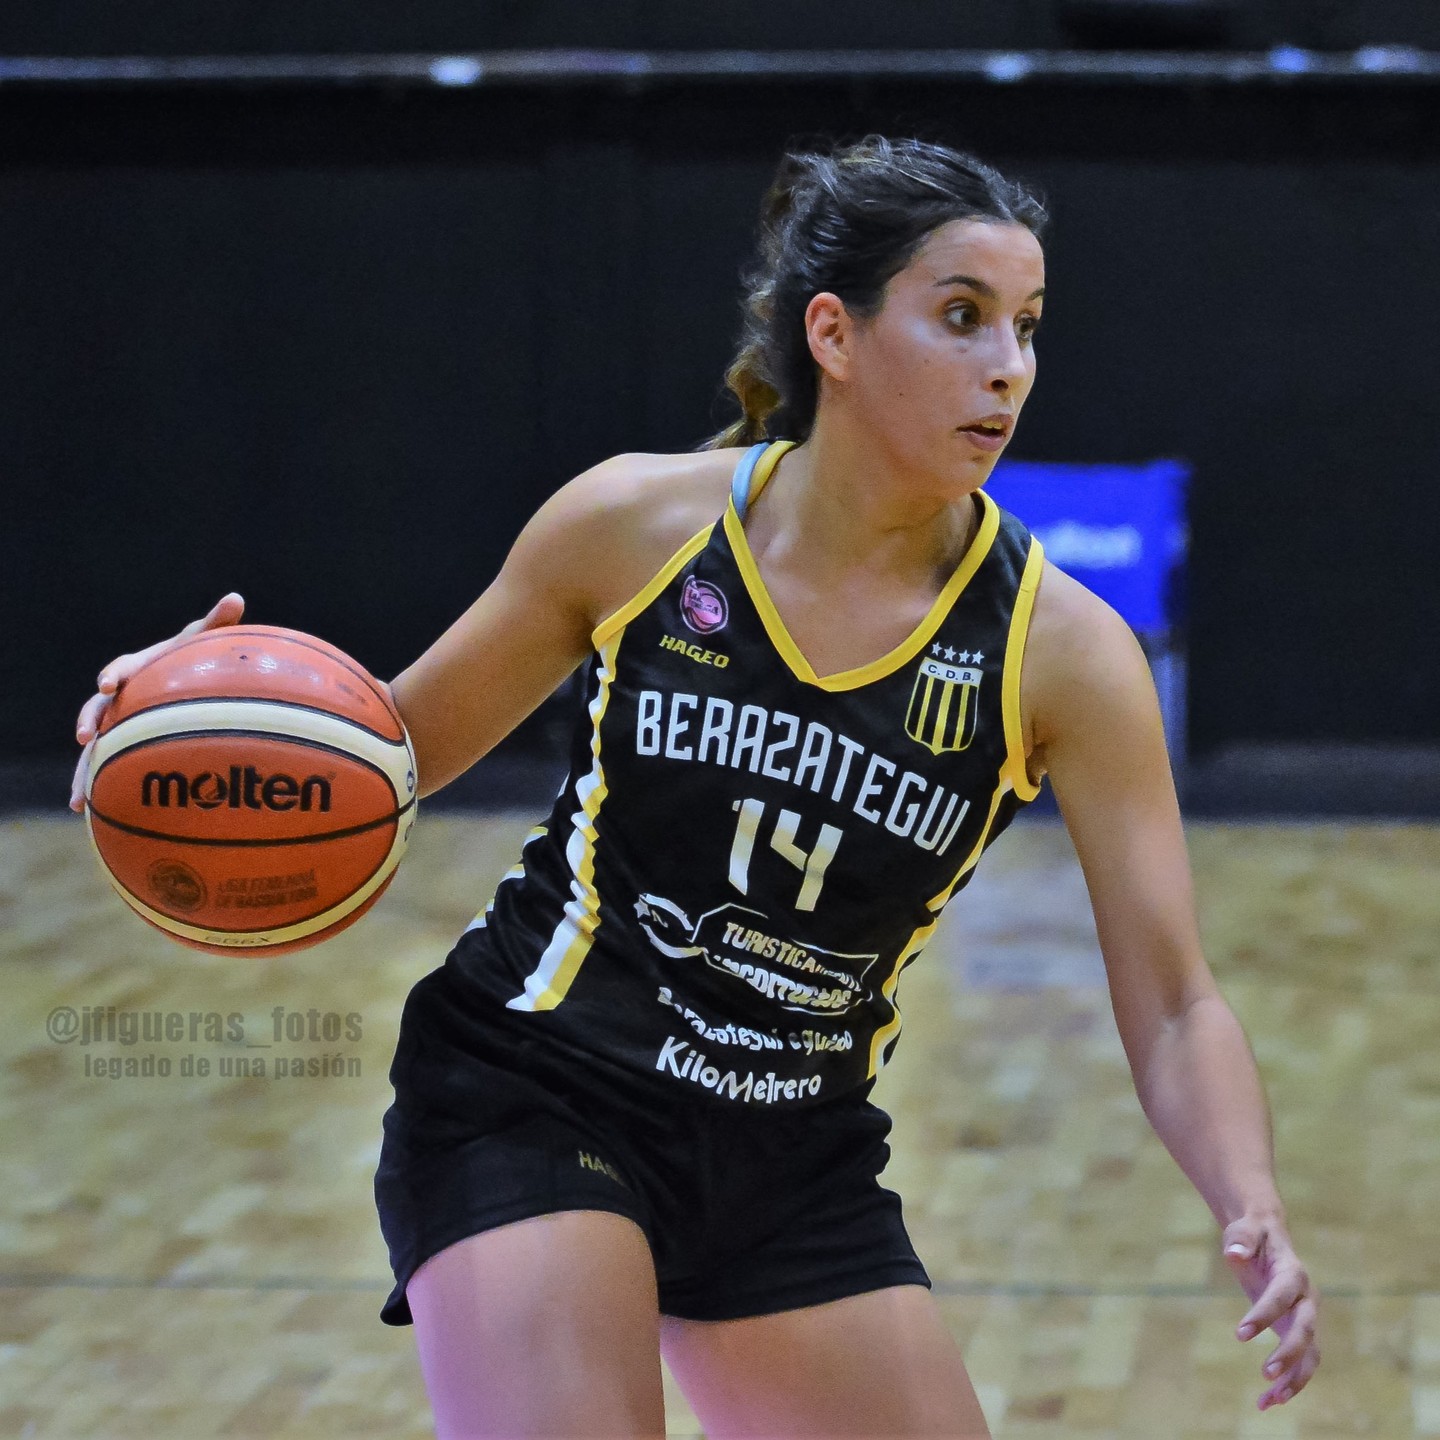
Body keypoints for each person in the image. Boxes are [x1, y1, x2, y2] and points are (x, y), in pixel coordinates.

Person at [72, 136, 1320, 1438]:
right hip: (537, 1086)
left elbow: (1174, 1000)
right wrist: (193, 709)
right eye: (961, 317)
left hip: (792, 1153)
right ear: (832, 334)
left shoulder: (1062, 652)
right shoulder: (636, 527)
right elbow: (385, 753)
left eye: (1027, 325)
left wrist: (1253, 1198)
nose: (1008, 364)